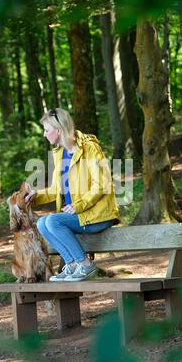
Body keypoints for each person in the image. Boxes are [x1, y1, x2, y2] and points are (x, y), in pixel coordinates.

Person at [28, 108, 120, 282]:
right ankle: (71, 265)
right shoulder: (60, 153)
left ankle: (85, 264)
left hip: (97, 215)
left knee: (53, 221)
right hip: (79, 216)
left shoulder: (90, 148)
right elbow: (57, 189)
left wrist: (78, 205)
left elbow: (102, 184)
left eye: (46, 130)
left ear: (59, 130)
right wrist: (35, 196)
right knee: (42, 223)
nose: (44, 135)